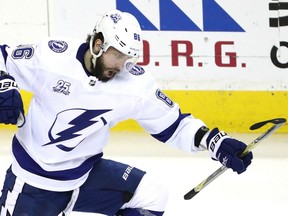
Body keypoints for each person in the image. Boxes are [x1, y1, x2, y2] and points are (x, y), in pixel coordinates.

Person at [0, 9, 253, 216]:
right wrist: (3, 83)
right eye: (117, 55)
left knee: (153, 195)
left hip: (86, 177)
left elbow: (173, 124)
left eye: (128, 57)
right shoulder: (52, 58)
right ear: (98, 44)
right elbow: (3, 57)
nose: (122, 65)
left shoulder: (133, 83)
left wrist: (215, 142)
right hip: (33, 185)